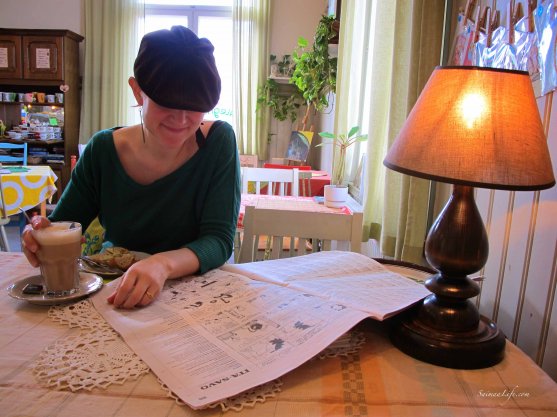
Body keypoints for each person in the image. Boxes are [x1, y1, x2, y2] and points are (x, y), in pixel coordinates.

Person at [21, 26, 241, 309]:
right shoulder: (103, 150)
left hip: (195, 294)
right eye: (167, 104)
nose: (182, 119)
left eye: (195, 106)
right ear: (138, 92)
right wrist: (40, 238)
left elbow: (219, 240)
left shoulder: (218, 142)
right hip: (117, 292)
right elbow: (65, 226)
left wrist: (161, 265)